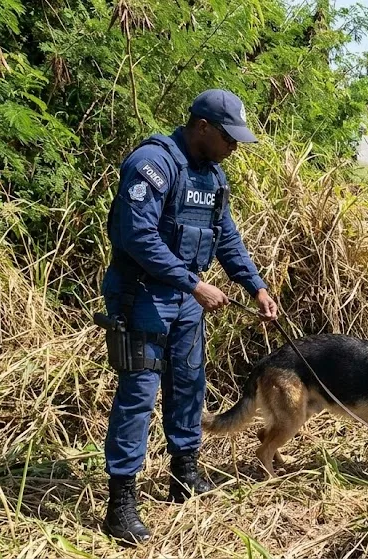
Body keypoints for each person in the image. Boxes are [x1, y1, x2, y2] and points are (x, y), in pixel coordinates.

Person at [99, 88, 279, 544]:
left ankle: (184, 474)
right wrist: (194, 284)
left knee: (188, 384)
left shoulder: (213, 176)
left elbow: (226, 237)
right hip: (143, 296)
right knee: (139, 396)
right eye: (228, 137)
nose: (233, 147)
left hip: (183, 300)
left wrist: (256, 287)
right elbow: (137, 236)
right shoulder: (153, 164)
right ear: (202, 127)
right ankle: (120, 504)